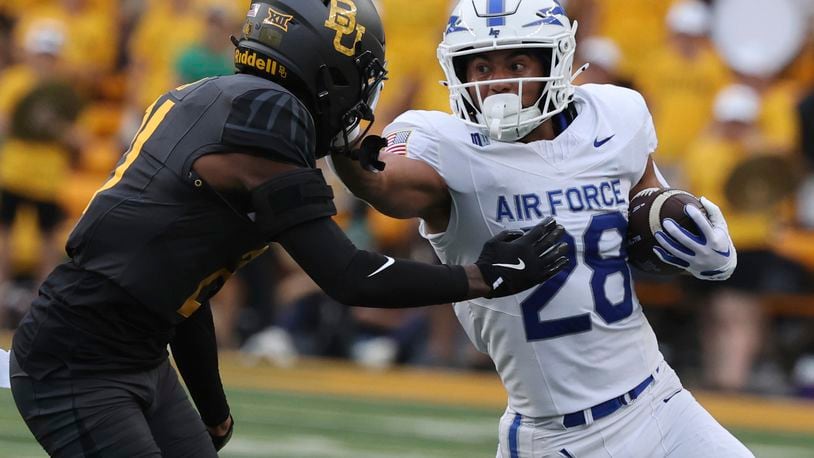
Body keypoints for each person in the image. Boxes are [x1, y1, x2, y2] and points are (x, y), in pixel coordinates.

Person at [6, 1, 571, 457]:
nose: (361, 94)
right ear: (326, 69)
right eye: (359, 75)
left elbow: (182, 289)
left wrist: (212, 406)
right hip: (78, 362)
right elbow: (352, 277)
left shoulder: (212, 97)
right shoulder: (268, 119)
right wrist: (482, 276)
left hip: (133, 350)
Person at [330, 0, 753, 456]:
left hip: (659, 399)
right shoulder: (444, 144)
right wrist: (343, 139)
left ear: (553, 59)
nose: (498, 82)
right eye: (481, 66)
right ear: (459, 73)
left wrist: (700, 245)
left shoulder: (614, 115)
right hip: (555, 436)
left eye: (517, 62)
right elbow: (386, 183)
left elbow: (649, 204)